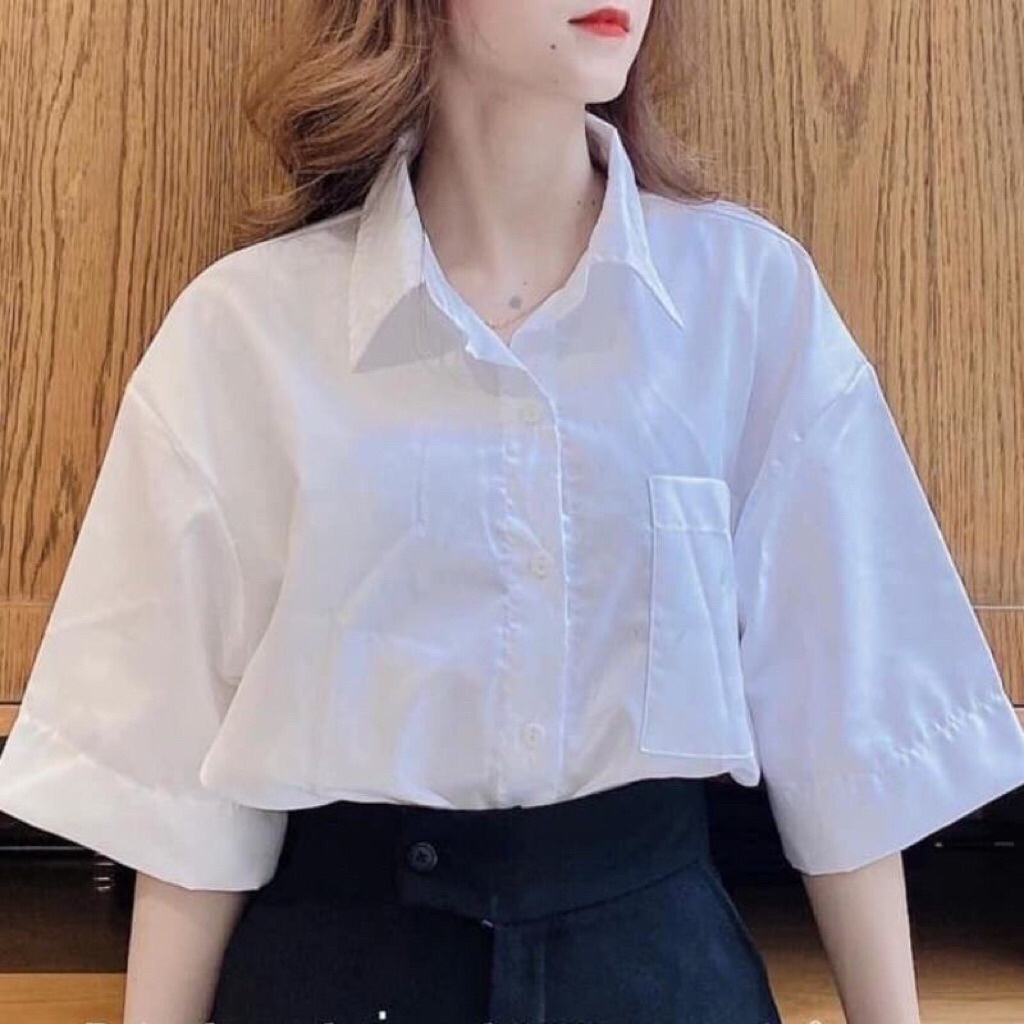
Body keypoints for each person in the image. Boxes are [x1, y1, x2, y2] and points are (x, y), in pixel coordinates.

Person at [2, 1, 1024, 1022]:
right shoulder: (250, 333)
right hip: (337, 971)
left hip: (657, 969)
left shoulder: (747, 304)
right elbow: (179, 799)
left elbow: (848, 736)